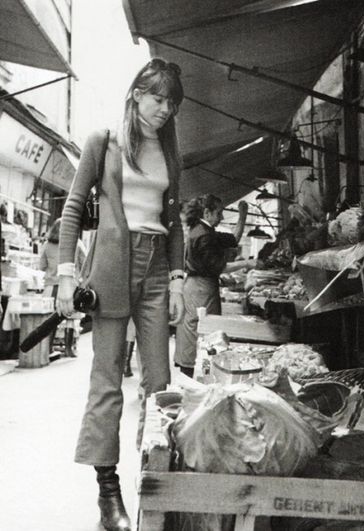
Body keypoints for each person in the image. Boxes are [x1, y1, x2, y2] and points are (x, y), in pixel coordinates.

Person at [56, 58, 185, 531]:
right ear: (136, 94)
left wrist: (176, 281)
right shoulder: (103, 142)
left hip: (156, 269)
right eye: (157, 99)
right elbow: (72, 207)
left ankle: (153, 474)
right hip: (110, 267)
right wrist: (66, 276)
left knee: (160, 383)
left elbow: (174, 224)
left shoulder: (171, 151)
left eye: (171, 103)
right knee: (107, 379)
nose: (164, 110)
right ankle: (108, 494)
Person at [175, 195, 259, 377]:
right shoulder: (204, 235)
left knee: (202, 332)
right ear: (207, 212)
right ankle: (193, 378)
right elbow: (218, 267)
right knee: (201, 332)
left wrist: (243, 215)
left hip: (201, 287)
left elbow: (234, 239)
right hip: (200, 289)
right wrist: (247, 264)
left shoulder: (205, 230)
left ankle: (196, 374)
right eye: (219, 213)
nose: (221, 217)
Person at [39, 218, 86, 357]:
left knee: (51, 318)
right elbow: (85, 263)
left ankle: (48, 349)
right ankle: (68, 349)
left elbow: (41, 266)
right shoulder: (77, 244)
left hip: (50, 287)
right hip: (70, 286)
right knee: (70, 318)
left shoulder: (47, 245)